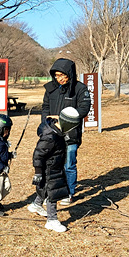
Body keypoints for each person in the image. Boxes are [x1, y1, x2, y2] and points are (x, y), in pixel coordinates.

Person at [41, 58, 91, 205]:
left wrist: (63, 118)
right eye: (57, 75)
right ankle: (51, 192)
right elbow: (45, 108)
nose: (60, 78)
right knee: (52, 164)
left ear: (69, 73)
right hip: (52, 133)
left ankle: (69, 193)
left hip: (71, 133)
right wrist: (46, 124)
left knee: (69, 164)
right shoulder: (50, 88)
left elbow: (84, 108)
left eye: (62, 75)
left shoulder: (80, 89)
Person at [28, 108, 81, 232]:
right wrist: (38, 172)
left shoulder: (58, 132)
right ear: (67, 123)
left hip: (56, 166)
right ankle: (51, 220)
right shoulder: (50, 136)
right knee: (53, 193)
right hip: (49, 169)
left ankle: (36, 205)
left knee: (46, 188)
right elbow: (38, 155)